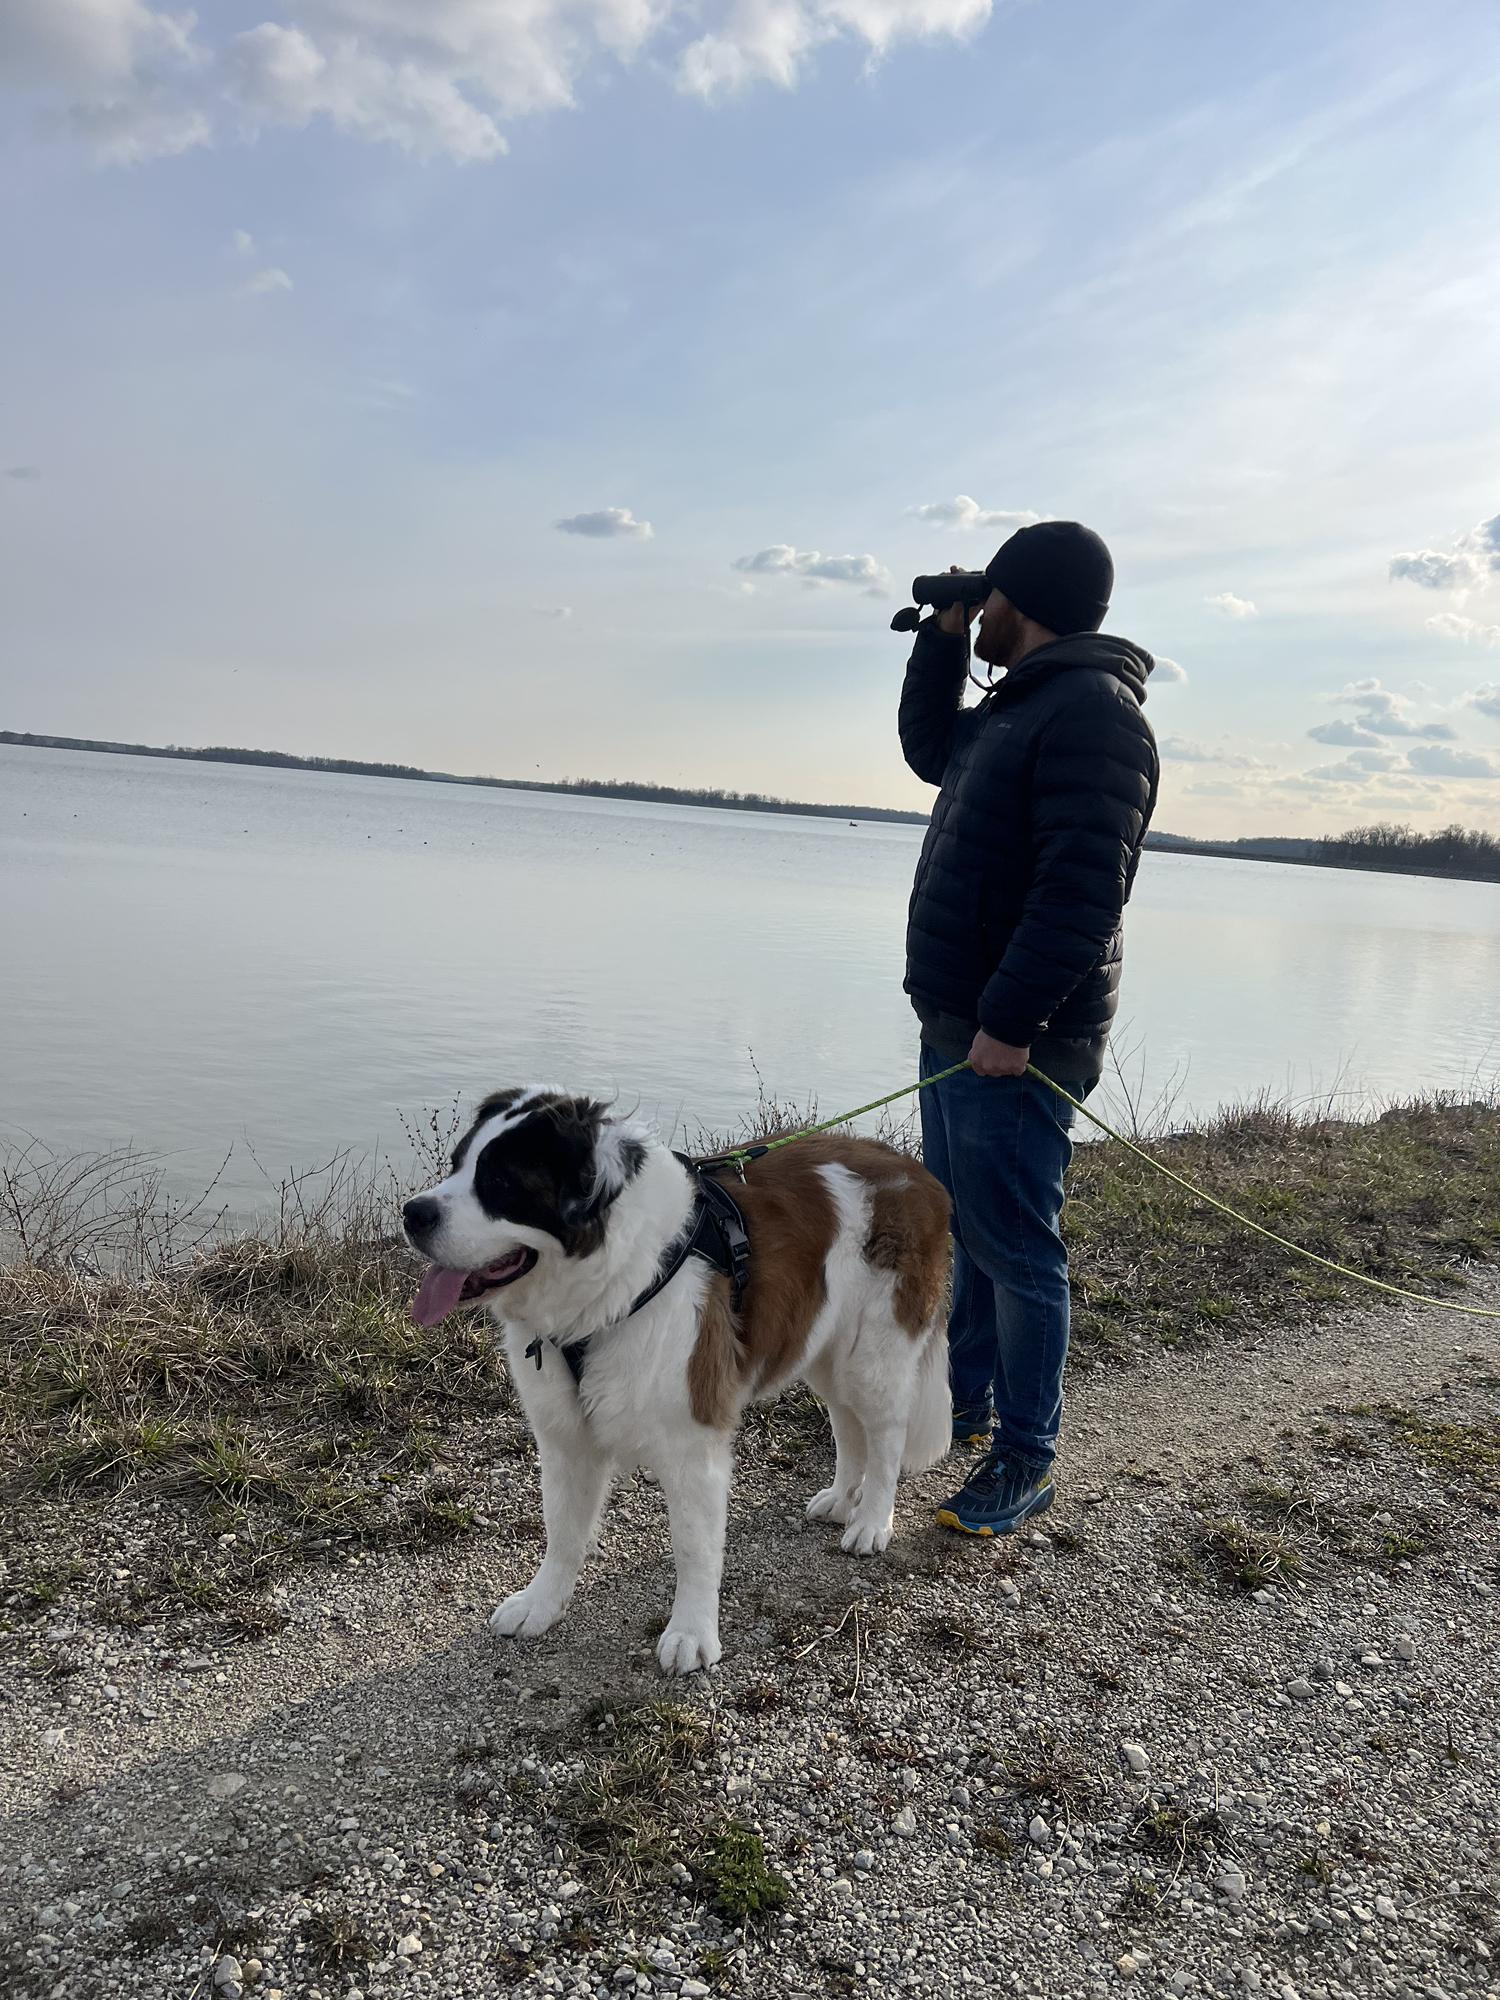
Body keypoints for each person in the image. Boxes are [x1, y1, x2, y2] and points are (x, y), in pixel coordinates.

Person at [899, 520, 1159, 1535]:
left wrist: (1010, 1022)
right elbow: (931, 751)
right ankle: (960, 1401)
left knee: (1016, 1246)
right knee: (961, 1224)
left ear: (1026, 599)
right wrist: (940, 643)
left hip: (1014, 1041)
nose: (979, 608)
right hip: (958, 1020)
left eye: (988, 595)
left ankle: (1025, 1455)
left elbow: (1082, 896)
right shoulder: (1021, 705)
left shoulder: (1094, 715)